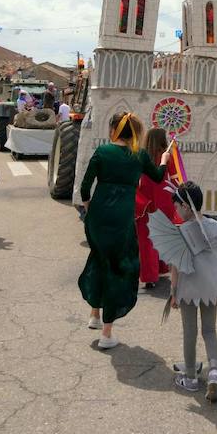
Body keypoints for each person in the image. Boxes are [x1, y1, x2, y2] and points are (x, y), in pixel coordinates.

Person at [78, 112, 171, 349]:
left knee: (99, 259)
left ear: (113, 130)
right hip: (122, 216)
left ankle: (95, 314)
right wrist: (164, 160)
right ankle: (107, 333)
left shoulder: (102, 152)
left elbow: (85, 187)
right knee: (118, 268)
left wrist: (90, 207)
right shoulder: (138, 155)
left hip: (98, 216)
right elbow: (159, 178)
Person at [149, 181, 217, 401]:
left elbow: (175, 268)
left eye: (177, 207)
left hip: (188, 288)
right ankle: (214, 373)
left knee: (190, 332)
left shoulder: (180, 232)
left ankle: (190, 378)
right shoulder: (216, 227)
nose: (176, 211)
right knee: (210, 331)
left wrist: (173, 292)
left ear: (186, 207)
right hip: (211, 286)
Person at [135, 127, 179, 289]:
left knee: (146, 239)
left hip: (145, 199)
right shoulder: (167, 156)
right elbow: (174, 179)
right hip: (163, 200)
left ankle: (150, 276)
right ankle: (160, 267)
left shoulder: (140, 155)